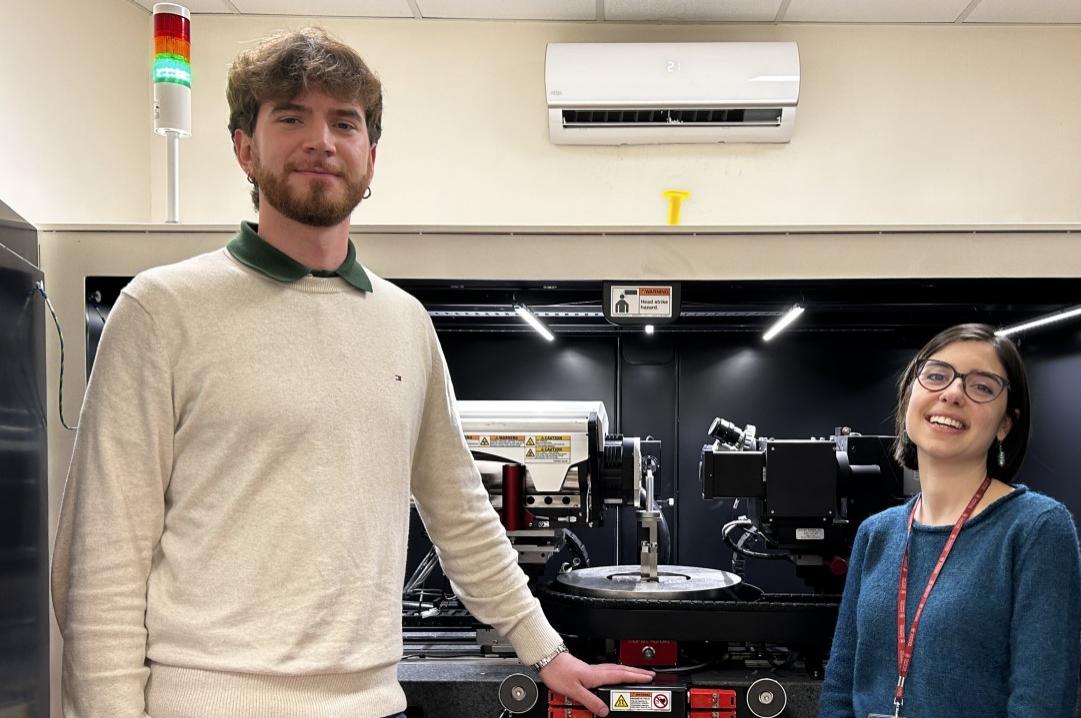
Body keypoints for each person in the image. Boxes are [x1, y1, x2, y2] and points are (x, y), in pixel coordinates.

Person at [50, 27, 651, 718]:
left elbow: (460, 513)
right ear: (245, 147)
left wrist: (545, 649)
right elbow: (100, 567)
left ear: (371, 156)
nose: (322, 141)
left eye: (344, 122)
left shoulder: (404, 324)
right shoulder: (161, 311)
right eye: (291, 117)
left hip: (370, 706)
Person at [817, 324, 1081, 718]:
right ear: (911, 394)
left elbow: (1041, 705)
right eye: (937, 375)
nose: (953, 393)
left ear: (1006, 424)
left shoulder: (1037, 528)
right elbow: (840, 688)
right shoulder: (876, 533)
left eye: (981, 386)